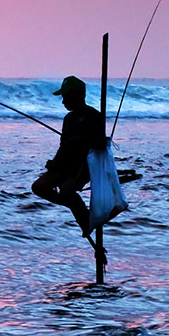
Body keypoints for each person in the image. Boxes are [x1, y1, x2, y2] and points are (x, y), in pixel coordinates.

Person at [31, 75, 107, 237]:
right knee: (38, 187)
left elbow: (101, 144)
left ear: (77, 95)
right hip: (65, 166)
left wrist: (81, 140)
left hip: (84, 167)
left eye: (66, 97)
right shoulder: (68, 118)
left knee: (66, 191)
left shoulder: (93, 116)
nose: (63, 101)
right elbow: (63, 147)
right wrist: (54, 163)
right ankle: (77, 208)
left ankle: (85, 221)